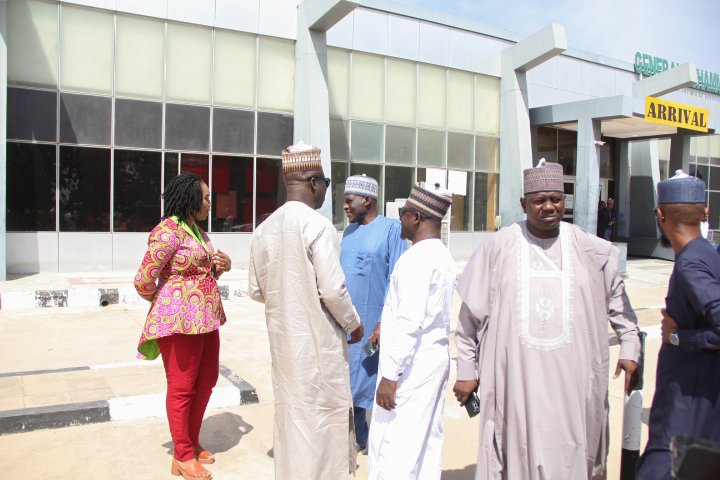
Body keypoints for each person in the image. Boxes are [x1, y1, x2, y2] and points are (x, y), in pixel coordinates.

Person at [453, 159, 641, 480]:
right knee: (513, 455)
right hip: (516, 386)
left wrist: (630, 346)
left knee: (575, 457)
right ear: (523, 203)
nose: (549, 207)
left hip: (575, 386)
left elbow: (619, 303)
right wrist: (467, 370)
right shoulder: (498, 248)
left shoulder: (589, 248)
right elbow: (468, 320)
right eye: (539, 201)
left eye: (556, 199)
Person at [248, 142, 365, 480]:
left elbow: (257, 290)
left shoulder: (263, 229)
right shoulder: (318, 226)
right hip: (318, 348)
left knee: (293, 423)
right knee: (323, 425)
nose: (326, 192)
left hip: (285, 348)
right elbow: (332, 290)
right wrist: (353, 324)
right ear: (314, 182)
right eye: (326, 184)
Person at [134, 172, 232, 480]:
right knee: (182, 387)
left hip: (206, 319)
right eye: (205, 198)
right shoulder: (167, 231)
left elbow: (201, 272)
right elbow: (143, 281)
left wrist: (219, 268)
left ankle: (190, 440)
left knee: (206, 381)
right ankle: (182, 456)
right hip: (179, 323)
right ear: (189, 198)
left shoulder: (197, 232)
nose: (209, 203)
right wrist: (169, 301)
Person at [367, 183, 457, 480]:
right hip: (431, 361)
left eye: (403, 213)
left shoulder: (417, 259)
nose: (400, 219)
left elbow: (409, 323)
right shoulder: (441, 254)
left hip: (411, 367)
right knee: (426, 440)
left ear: (415, 218)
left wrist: (390, 376)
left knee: (397, 444)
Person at [636, 171, 720, 480]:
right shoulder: (706, 253)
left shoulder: (691, 264)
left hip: (686, 404)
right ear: (705, 213)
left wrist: (677, 337)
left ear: (660, 214)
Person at [340, 174, 407, 453]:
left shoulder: (391, 230)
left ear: (367, 200)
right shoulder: (347, 232)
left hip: (375, 327)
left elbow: (397, 277)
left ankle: (368, 437)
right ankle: (355, 436)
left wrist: (383, 322)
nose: (345, 207)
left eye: (348, 201)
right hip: (347, 325)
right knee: (347, 379)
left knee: (370, 381)